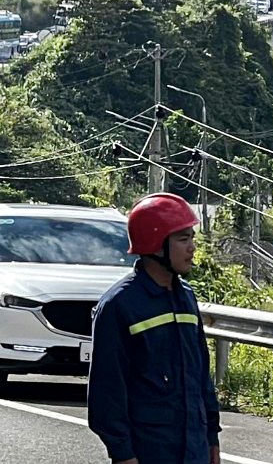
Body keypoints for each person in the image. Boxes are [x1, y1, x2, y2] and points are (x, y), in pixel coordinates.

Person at [87, 193, 220, 464]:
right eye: (183, 239)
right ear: (156, 245)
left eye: (191, 238)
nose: (192, 248)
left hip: (194, 450)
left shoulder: (186, 297)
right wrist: (123, 453)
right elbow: (107, 390)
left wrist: (211, 439)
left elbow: (201, 377)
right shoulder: (119, 305)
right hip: (150, 451)